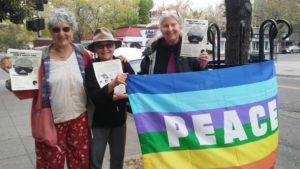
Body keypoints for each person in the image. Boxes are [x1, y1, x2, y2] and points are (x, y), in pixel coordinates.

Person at [1, 8, 93, 169]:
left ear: (72, 30)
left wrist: (119, 61)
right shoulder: (39, 57)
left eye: (66, 29)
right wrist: (10, 72)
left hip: (79, 120)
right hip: (51, 123)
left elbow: (98, 74)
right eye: (56, 29)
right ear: (50, 31)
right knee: (50, 165)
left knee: (80, 164)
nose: (61, 34)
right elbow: (27, 88)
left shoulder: (82, 54)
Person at [85, 27, 134, 169]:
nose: (105, 49)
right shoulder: (90, 69)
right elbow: (94, 97)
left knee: (118, 160)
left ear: (114, 47)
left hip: (119, 121)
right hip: (99, 122)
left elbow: (133, 87)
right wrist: (113, 84)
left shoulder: (123, 63)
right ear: (94, 48)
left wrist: (123, 96)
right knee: (95, 160)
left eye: (109, 45)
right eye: (100, 45)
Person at [140, 10, 209, 74]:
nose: (170, 29)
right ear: (160, 29)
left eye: (173, 25)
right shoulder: (152, 51)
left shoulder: (192, 48)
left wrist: (202, 66)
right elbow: (142, 77)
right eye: (165, 26)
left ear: (180, 26)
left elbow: (202, 79)